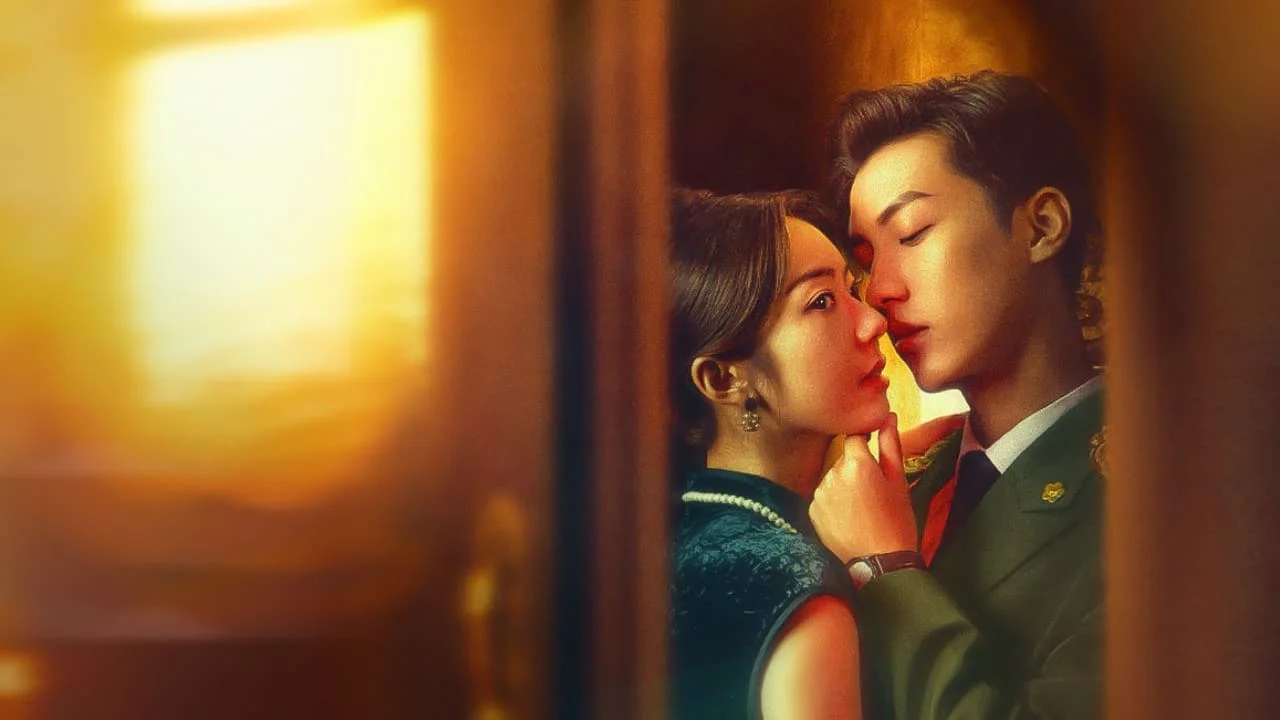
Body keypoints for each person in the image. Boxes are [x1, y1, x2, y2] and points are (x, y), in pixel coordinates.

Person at [809, 70, 1105, 719]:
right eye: (867, 258)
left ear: (1042, 226)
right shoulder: (898, 477)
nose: (879, 291)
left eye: (913, 233)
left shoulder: (1166, 501)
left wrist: (887, 569)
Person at [667, 188, 899, 719]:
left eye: (851, 289)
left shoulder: (675, 535)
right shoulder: (790, 581)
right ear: (723, 379)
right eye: (821, 302)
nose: (873, 322)